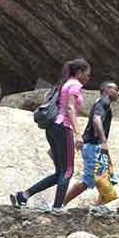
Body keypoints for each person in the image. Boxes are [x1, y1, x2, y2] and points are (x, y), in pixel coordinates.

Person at [10, 58, 90, 210]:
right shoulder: (74, 85)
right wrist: (78, 133)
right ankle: (57, 207)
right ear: (79, 73)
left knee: (59, 172)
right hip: (63, 127)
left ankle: (24, 195)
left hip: (52, 128)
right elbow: (70, 108)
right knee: (68, 171)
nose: (88, 78)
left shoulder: (63, 84)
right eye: (87, 74)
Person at [63, 81, 119, 207]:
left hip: (97, 146)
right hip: (93, 146)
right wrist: (103, 141)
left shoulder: (105, 104)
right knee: (89, 180)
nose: (118, 93)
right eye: (115, 89)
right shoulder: (102, 103)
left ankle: (97, 207)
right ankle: (60, 204)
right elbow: (96, 119)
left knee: (108, 177)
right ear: (106, 90)